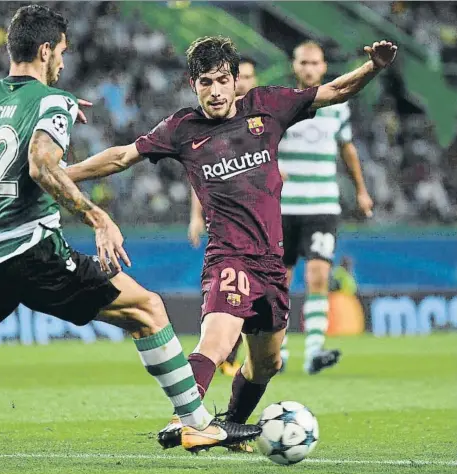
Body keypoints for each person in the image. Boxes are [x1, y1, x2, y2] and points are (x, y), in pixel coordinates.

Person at [0, 6, 262, 454]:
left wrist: (56, 109)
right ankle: (197, 422)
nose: (63, 62)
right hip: (31, 250)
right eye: (61, 52)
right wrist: (97, 217)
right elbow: (42, 167)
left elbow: (18, 127)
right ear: (46, 50)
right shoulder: (52, 101)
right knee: (147, 310)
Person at [66, 35, 398, 450]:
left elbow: (335, 91)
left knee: (267, 364)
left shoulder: (268, 106)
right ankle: (185, 419)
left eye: (222, 79)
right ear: (193, 84)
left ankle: (230, 429)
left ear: (236, 80)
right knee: (218, 341)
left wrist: (373, 68)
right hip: (229, 257)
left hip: (271, 264)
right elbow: (120, 157)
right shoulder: (181, 129)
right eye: (206, 82)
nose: (216, 90)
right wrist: (63, 175)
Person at [278, 41, 374, 375]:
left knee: (318, 276)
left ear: (323, 67)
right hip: (283, 206)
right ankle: (281, 350)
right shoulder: (282, 103)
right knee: (280, 280)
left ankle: (314, 350)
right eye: (302, 62)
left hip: (322, 204)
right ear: (295, 65)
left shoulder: (337, 107)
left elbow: (348, 150)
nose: (308, 68)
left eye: (314, 63)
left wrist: (361, 191)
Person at [187, 55, 258, 377]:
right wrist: (195, 216)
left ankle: (261, 353)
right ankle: (228, 353)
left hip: (270, 222)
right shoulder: (214, 126)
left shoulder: (265, 118)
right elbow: (200, 173)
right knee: (233, 296)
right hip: (231, 233)